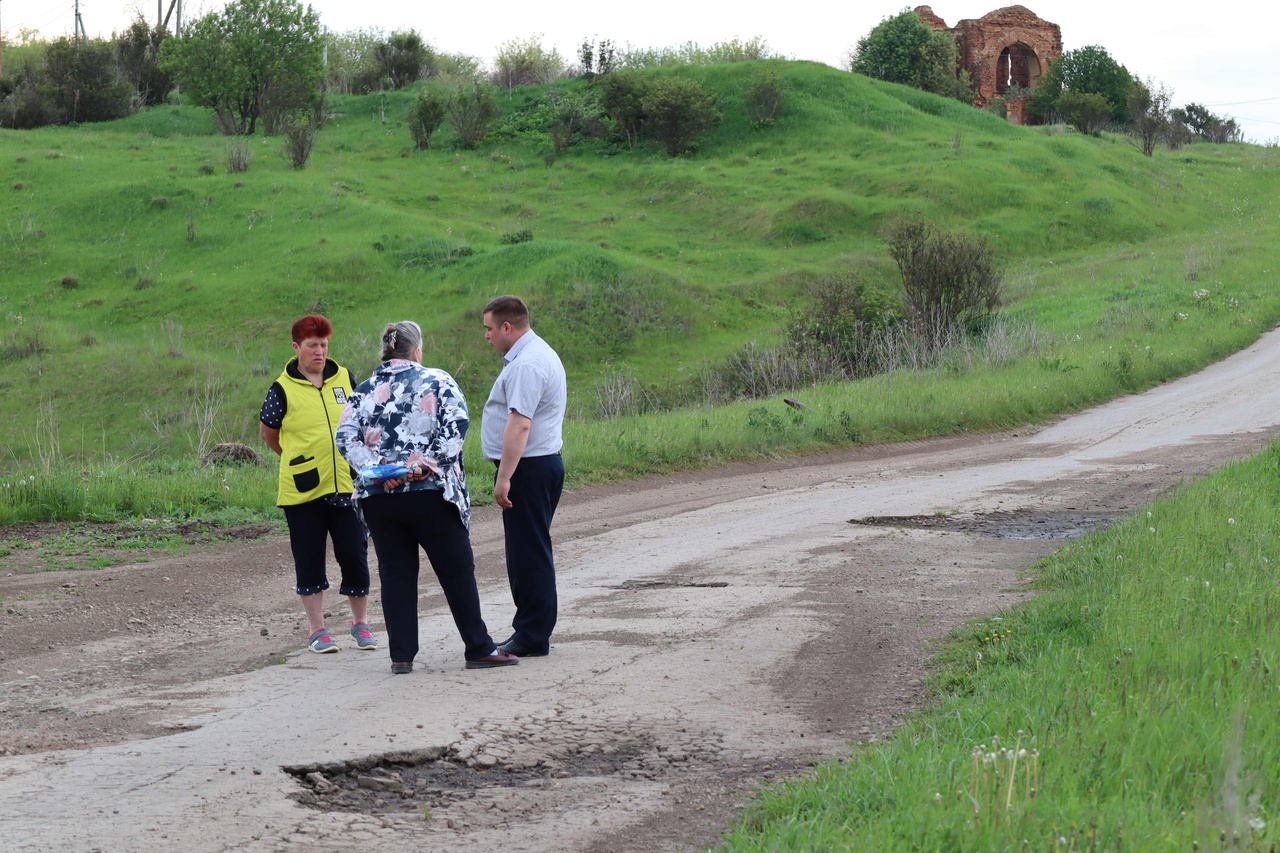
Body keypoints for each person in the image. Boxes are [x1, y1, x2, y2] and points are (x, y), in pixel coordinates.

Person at [335, 320, 517, 674]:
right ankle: (478, 648)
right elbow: (456, 429)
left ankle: (401, 656)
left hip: (380, 500)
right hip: (430, 494)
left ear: (385, 351)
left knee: (395, 574)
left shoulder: (364, 389)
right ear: (416, 350)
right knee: (456, 572)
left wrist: (378, 472)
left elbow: (345, 438)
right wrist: (418, 468)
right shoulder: (438, 380)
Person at [259, 314, 376, 655]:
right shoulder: (281, 388)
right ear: (296, 347)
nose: (320, 352)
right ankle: (317, 630)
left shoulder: (345, 378)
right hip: (303, 490)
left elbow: (360, 421)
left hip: (347, 485)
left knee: (355, 555)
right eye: (312, 346)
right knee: (308, 559)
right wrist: (293, 457)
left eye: (324, 345)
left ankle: (360, 623)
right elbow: (269, 432)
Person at [480, 295, 567, 658]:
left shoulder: (528, 364)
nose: (485, 335)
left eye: (488, 328)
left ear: (507, 327)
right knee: (528, 550)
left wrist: (504, 478)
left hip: (527, 468)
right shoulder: (533, 354)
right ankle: (531, 630)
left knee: (528, 554)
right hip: (534, 465)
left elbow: (519, 426)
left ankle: (532, 635)